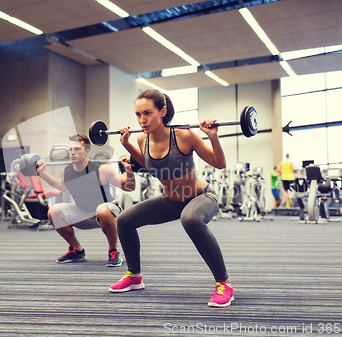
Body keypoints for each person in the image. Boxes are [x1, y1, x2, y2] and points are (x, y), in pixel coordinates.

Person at [110, 89, 233, 308]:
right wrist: (127, 144)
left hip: (201, 197)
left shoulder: (184, 136)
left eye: (147, 113)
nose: (142, 120)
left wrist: (213, 137)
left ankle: (224, 284)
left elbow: (219, 163)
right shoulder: (142, 139)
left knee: (191, 219)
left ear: (163, 111)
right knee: (124, 219)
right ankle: (134, 276)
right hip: (171, 201)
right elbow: (150, 166)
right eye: (138, 115)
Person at [36, 133, 135, 267]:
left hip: (108, 213)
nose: (72, 152)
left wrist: (129, 171)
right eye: (70, 149)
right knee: (53, 211)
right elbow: (63, 187)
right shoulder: (67, 171)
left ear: (87, 151)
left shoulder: (102, 169)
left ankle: (113, 251)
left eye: (77, 149)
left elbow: (129, 187)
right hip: (84, 213)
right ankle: (77, 250)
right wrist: (42, 174)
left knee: (102, 210)